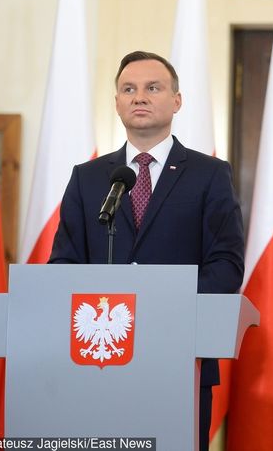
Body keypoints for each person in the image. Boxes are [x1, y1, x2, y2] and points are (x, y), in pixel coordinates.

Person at [49, 50, 245, 450]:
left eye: (152, 88)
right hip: (97, 359)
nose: (139, 96)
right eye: (129, 89)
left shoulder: (209, 174)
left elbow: (226, 264)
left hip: (179, 359)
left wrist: (161, 304)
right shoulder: (87, 178)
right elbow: (63, 264)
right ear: (118, 103)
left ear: (176, 100)